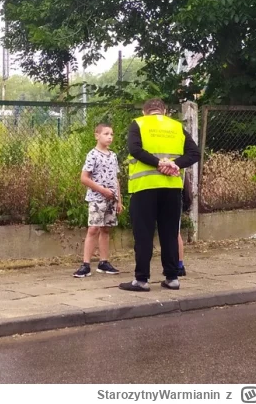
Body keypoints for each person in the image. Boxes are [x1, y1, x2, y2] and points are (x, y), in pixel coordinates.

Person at [119, 98, 200, 292]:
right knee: (170, 233)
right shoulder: (176, 126)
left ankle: (141, 280)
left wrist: (158, 163)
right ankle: (172, 278)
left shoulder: (138, 123)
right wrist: (174, 164)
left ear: (145, 111)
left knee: (144, 234)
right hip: (171, 188)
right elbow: (194, 153)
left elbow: (135, 149)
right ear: (164, 111)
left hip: (144, 187)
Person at [73, 123, 123, 278]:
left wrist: (119, 201)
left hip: (111, 199)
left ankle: (104, 262)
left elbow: (116, 179)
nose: (109, 137)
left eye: (111, 134)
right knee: (93, 229)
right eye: (106, 134)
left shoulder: (113, 156)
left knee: (106, 229)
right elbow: (84, 178)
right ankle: (86, 264)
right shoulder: (92, 155)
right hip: (97, 198)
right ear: (97, 135)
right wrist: (102, 190)